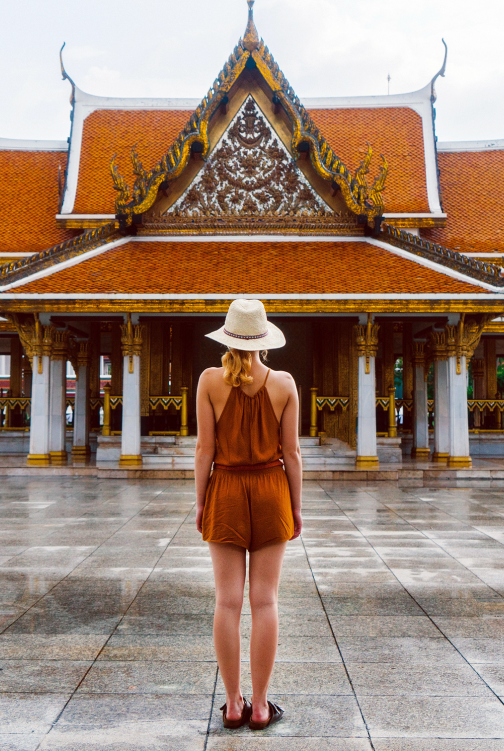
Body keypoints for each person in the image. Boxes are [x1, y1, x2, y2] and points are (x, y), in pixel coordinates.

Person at [195, 299, 303, 731]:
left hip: (225, 489)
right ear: (262, 339)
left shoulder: (209, 381)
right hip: (271, 490)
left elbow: (204, 450)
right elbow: (292, 453)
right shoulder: (284, 384)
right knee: (265, 600)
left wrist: (201, 501)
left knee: (227, 601)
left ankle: (233, 703)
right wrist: (296, 507)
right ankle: (260, 705)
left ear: (227, 337)